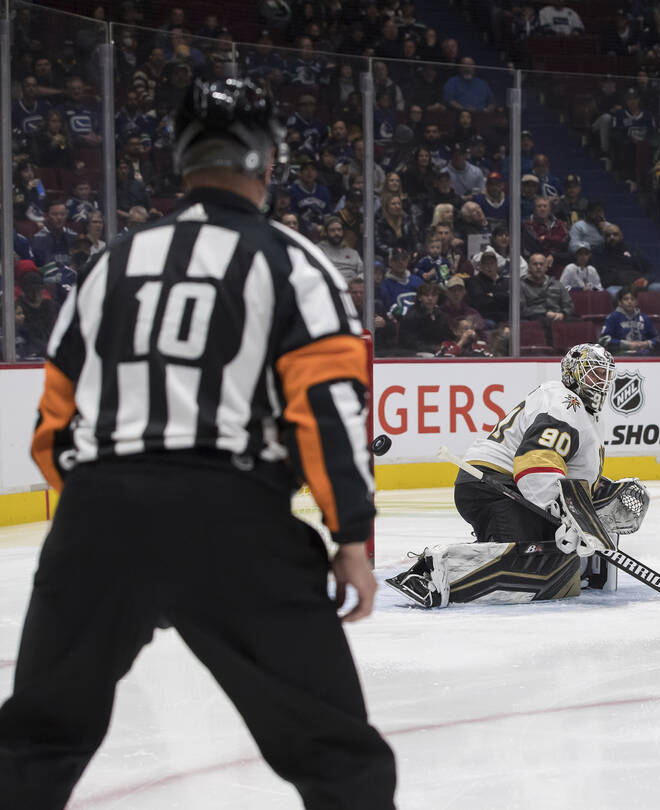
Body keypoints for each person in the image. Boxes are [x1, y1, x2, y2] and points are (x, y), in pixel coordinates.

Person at [0, 77, 396, 809]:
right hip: (233, 516)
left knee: (33, 746)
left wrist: (113, 523)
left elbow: (52, 428)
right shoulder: (295, 264)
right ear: (269, 163)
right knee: (339, 758)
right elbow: (327, 409)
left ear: (179, 160)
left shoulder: (108, 263)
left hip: (97, 516)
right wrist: (353, 538)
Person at [385, 344, 651, 606]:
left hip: (516, 488)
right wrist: (565, 515)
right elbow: (535, 463)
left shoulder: (587, 414)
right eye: (593, 373)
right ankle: (429, 573)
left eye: (605, 375)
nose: (601, 381)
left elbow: (569, 471)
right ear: (572, 373)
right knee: (531, 566)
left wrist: (597, 494)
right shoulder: (563, 402)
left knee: (560, 565)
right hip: (494, 486)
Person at [599, 287, 660, 355]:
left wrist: (645, 343)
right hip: (620, 356)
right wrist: (627, 345)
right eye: (626, 299)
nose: (629, 302)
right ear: (619, 302)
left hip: (643, 356)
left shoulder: (645, 318)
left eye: (632, 299)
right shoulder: (613, 318)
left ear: (636, 302)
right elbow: (604, 340)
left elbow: (657, 339)